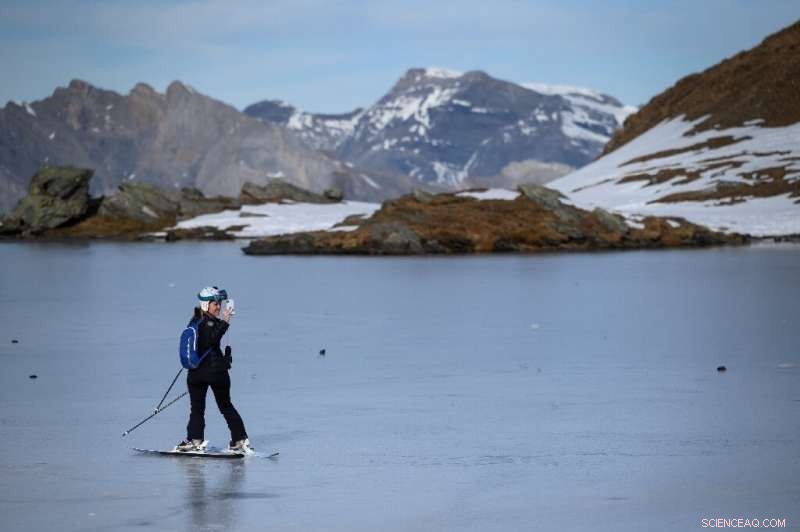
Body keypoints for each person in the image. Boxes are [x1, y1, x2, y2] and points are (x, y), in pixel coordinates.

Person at [175, 286, 253, 453]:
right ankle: (239, 440)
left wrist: (223, 322)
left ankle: (195, 440)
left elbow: (210, 339)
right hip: (214, 373)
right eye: (215, 303)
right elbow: (211, 339)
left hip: (198, 373)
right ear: (205, 305)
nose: (218, 306)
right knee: (224, 406)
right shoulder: (208, 323)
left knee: (198, 409)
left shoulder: (196, 321)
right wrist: (225, 321)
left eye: (219, 303)